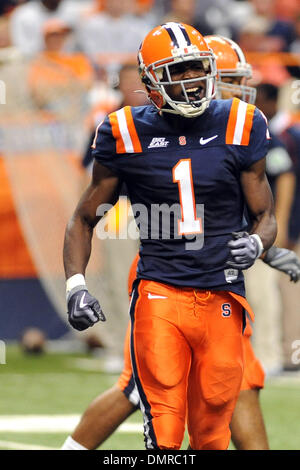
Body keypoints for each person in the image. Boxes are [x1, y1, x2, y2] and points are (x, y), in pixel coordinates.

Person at [62, 34, 300, 451]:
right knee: (159, 418)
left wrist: (263, 246)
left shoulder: (243, 123)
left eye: (202, 69)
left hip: (221, 290)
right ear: (152, 82)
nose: (196, 81)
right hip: (161, 287)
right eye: (180, 72)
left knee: (213, 423)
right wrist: (75, 285)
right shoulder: (125, 130)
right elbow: (85, 216)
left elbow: (261, 214)